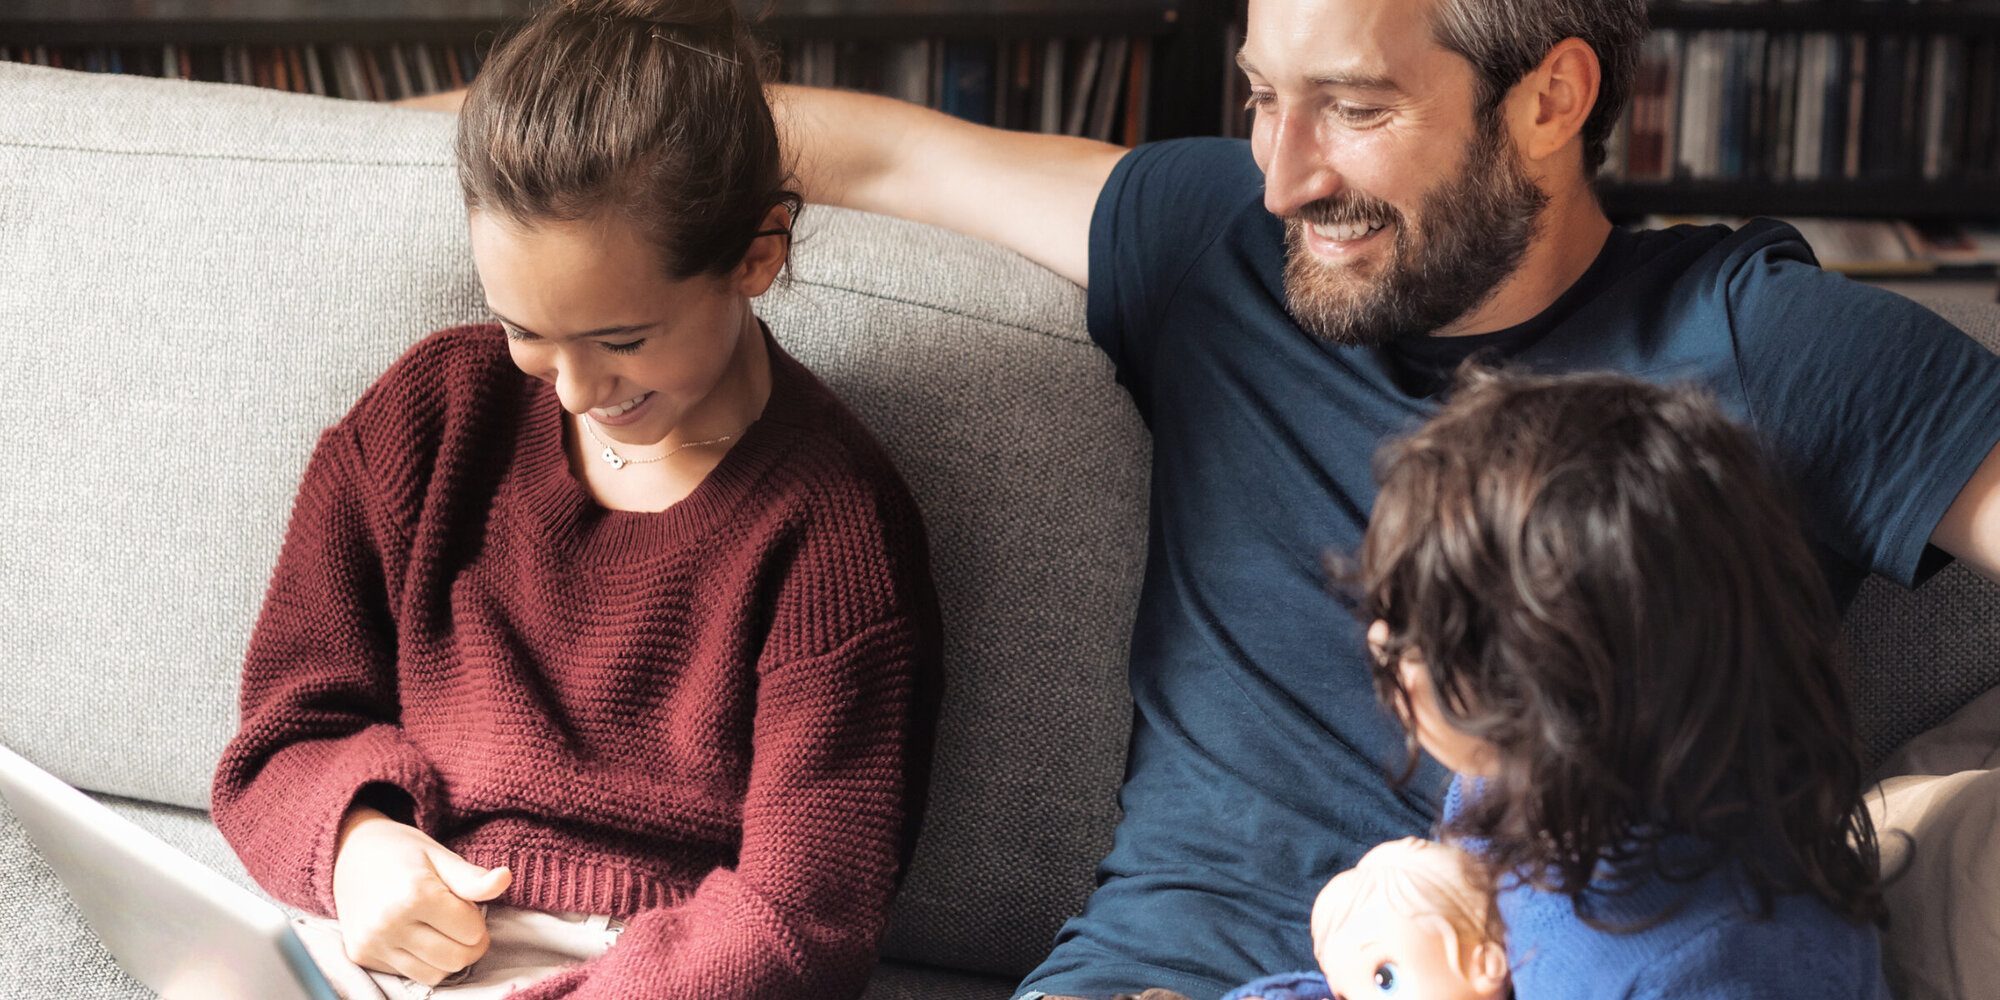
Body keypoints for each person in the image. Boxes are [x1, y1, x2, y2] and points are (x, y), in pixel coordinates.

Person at [410, 0, 2000, 996]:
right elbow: (875, 157)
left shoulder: (1771, 344)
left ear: (1550, 95)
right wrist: (496, 155)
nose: (1283, 170)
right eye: (1258, 95)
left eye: (1356, 109)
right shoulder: (1213, 244)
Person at [210, 2, 943, 999]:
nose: (572, 391)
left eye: (624, 340)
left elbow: (798, 922)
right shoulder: (428, 420)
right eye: (526, 333)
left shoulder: (832, 532)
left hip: (645, 974)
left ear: (756, 256)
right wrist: (354, 842)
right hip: (386, 936)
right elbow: (282, 736)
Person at [1347, 370, 1891, 999]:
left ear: (1561, 697)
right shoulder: (1503, 776)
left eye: (1422, 635)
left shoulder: (1706, 968)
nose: (1379, 642)